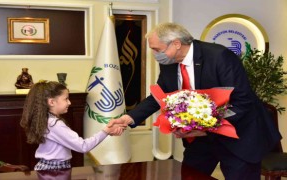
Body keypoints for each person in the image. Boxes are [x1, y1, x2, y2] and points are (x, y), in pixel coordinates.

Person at [110, 22, 282, 180]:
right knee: (189, 175)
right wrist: (129, 118)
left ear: (176, 44)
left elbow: (242, 102)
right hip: (201, 139)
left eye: (157, 49)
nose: (155, 55)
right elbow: (160, 97)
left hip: (239, 136)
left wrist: (205, 129)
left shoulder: (219, 56)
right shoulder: (169, 63)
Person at [20, 80, 125, 171]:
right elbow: (83, 146)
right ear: (51, 102)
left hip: (48, 168)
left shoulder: (46, 120)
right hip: (54, 172)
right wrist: (106, 130)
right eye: (66, 99)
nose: (69, 102)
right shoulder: (54, 124)